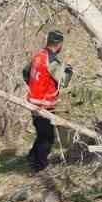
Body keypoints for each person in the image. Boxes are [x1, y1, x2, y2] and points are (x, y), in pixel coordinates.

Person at [23, 30, 72, 172]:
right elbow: (64, 81)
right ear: (59, 44)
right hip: (44, 105)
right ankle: (39, 165)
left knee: (41, 132)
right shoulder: (51, 61)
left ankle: (32, 156)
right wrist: (69, 68)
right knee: (48, 137)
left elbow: (25, 73)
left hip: (33, 101)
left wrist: (35, 86)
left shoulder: (38, 55)